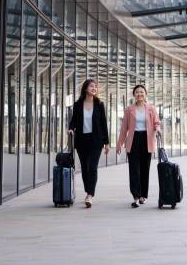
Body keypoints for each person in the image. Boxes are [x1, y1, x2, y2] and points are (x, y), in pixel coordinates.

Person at [117, 84, 161, 208]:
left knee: (144, 169)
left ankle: (143, 195)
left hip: (147, 140)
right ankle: (135, 196)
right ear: (134, 95)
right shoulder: (129, 109)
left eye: (142, 92)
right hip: (133, 140)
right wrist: (119, 143)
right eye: (137, 92)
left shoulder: (151, 109)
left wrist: (158, 129)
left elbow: (157, 122)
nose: (139, 94)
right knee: (134, 169)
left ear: (145, 94)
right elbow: (124, 128)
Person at [67, 79, 109, 208]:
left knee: (92, 168)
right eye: (92, 86)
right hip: (82, 140)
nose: (94, 88)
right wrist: (70, 128)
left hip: (96, 140)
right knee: (85, 168)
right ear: (85, 88)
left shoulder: (99, 104)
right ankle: (88, 191)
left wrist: (106, 143)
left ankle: (90, 195)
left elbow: (103, 124)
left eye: (96, 86)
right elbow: (73, 120)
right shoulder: (78, 104)